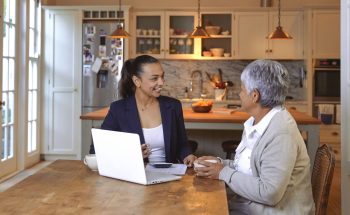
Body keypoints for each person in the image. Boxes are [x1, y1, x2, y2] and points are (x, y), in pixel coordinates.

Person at [194, 59, 315, 214]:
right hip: (249, 206)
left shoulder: (281, 133)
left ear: (254, 95)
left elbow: (270, 193)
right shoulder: (257, 122)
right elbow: (251, 168)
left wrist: (223, 172)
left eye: (242, 89)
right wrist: (219, 163)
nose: (239, 93)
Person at [90, 55, 196, 166]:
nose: (161, 83)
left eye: (162, 77)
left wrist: (187, 155)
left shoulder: (173, 106)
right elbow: (96, 149)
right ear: (137, 81)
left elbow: (182, 144)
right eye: (154, 78)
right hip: (134, 176)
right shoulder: (118, 109)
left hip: (169, 176)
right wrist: (131, 155)